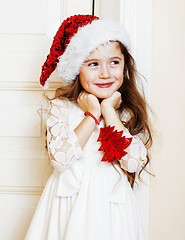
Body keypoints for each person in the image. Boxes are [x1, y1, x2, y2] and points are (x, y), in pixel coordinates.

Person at [25, 14, 152, 240]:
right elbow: (60, 160)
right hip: (67, 202)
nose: (105, 73)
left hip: (113, 209)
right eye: (93, 64)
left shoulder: (126, 111)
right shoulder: (61, 108)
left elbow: (133, 162)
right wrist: (92, 114)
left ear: (124, 65)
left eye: (114, 62)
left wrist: (109, 113)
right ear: (76, 69)